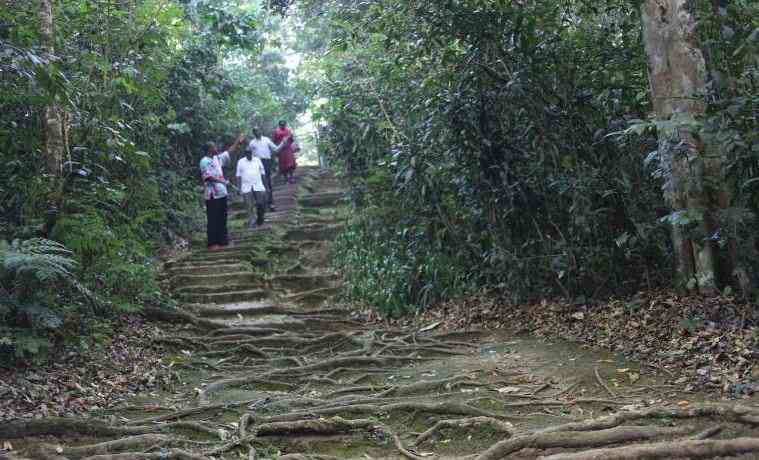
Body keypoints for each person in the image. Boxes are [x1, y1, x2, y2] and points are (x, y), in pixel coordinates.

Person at [199, 135, 245, 250]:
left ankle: (223, 241)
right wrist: (223, 181)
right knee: (213, 219)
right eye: (213, 146)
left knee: (222, 217)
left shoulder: (217, 159)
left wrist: (237, 141)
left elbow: (228, 152)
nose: (216, 148)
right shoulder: (204, 161)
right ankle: (212, 243)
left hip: (222, 193)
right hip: (212, 195)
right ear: (209, 149)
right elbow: (207, 177)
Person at [248, 126, 288, 212]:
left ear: (260, 131)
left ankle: (271, 203)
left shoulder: (266, 140)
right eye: (255, 131)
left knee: (267, 182)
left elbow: (276, 150)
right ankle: (261, 204)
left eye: (258, 130)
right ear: (253, 133)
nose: (257, 132)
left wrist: (283, 143)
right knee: (258, 183)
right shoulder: (252, 143)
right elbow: (249, 155)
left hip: (266, 163)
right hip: (256, 164)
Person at [236, 146, 267, 228]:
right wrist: (239, 188)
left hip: (258, 185)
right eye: (247, 153)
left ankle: (260, 218)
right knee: (249, 205)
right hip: (246, 186)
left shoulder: (257, 160)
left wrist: (265, 185)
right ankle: (252, 221)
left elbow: (263, 173)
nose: (248, 154)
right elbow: (238, 176)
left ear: (252, 153)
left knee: (260, 204)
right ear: (245, 153)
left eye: (250, 152)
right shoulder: (240, 162)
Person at [272, 120, 297, 184]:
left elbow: (292, 139)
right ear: (279, 125)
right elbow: (274, 140)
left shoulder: (288, 130)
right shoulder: (276, 131)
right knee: (283, 165)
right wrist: (276, 149)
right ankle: (286, 179)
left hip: (288, 149)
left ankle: (291, 177)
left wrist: (290, 138)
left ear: (285, 125)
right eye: (281, 125)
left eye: (284, 125)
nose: (283, 126)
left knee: (290, 164)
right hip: (281, 150)